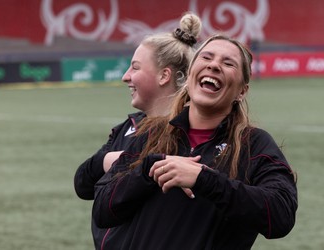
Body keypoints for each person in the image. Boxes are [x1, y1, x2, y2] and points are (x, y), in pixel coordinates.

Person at [92, 34, 298, 250]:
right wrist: (148, 170)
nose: (214, 65)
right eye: (207, 58)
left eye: (228, 63)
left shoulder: (254, 145)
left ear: (242, 91)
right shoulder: (151, 134)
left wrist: (204, 179)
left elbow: (280, 216)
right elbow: (103, 211)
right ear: (190, 76)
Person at [73, 12, 202, 249]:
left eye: (135, 67)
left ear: (164, 75)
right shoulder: (128, 128)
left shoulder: (197, 131)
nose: (125, 77)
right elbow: (82, 184)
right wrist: (109, 159)